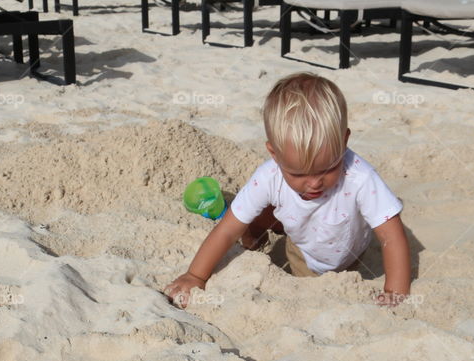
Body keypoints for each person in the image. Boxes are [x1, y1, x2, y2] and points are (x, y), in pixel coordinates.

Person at [164, 72, 411, 308]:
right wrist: (195, 276)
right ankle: (256, 237)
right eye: (299, 173)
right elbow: (227, 230)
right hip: (305, 255)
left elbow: (391, 235)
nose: (314, 183)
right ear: (274, 153)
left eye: (328, 168)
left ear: (344, 141)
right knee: (252, 214)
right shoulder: (269, 176)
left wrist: (394, 292)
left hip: (352, 250)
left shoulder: (360, 177)